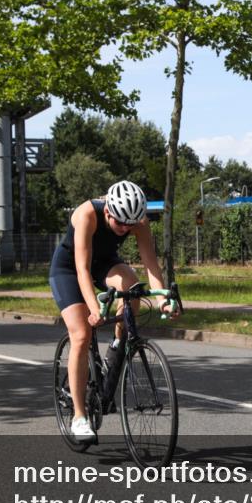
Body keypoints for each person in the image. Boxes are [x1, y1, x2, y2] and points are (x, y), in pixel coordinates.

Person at [49, 180, 179, 441]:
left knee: (132, 286)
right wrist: (95, 309)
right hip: (69, 269)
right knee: (82, 335)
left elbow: (151, 266)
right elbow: (82, 270)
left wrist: (162, 298)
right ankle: (79, 416)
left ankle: (118, 345)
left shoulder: (138, 221)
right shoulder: (87, 214)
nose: (125, 230)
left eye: (130, 225)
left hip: (104, 264)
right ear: (108, 212)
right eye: (120, 224)